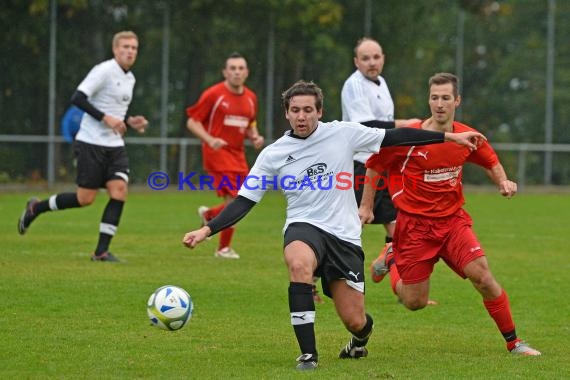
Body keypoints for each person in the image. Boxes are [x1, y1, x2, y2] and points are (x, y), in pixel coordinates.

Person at [182, 80, 485, 370]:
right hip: (304, 227)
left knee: (356, 321)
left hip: (344, 236)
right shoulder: (273, 154)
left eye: (308, 110)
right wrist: (205, 231)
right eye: (296, 110)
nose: (302, 116)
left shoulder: (342, 134)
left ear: (319, 112)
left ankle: (359, 340)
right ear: (286, 112)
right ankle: (308, 355)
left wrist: (450, 137)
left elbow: (395, 137)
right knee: (299, 265)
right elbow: (243, 201)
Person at [361, 73, 541, 356]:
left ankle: (514, 343)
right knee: (414, 302)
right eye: (435, 98)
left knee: (483, 277)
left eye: (446, 98)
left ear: (456, 101)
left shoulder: (465, 135)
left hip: (453, 222)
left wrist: (503, 182)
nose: (440, 104)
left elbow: (490, 160)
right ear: (428, 100)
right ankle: (391, 258)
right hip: (415, 227)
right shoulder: (411, 137)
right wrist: (366, 206)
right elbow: (374, 165)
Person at [18, 31, 148, 262]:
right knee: (84, 199)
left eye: (134, 48)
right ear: (115, 49)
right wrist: (106, 118)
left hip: (115, 145)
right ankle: (35, 208)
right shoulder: (104, 70)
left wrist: (129, 121)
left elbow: (115, 112)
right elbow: (77, 98)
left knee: (119, 191)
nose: (130, 51)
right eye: (126, 47)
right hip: (90, 143)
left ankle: (101, 252)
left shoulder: (130, 78)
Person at [185, 52, 264, 259]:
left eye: (240, 68)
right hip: (217, 153)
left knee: (244, 198)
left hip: (237, 154)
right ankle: (223, 248)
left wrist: (254, 136)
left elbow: (250, 123)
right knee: (236, 199)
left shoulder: (251, 98)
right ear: (225, 72)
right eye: (232, 68)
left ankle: (209, 215)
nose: (237, 72)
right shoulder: (214, 94)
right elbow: (192, 122)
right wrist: (210, 140)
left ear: (246, 72)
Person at [341, 37, 419, 244]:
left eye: (376, 57)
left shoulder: (381, 83)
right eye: (365, 58)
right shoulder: (354, 85)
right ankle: (316, 271)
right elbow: (366, 125)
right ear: (356, 62)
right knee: (353, 224)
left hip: (383, 162)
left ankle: (389, 266)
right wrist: (405, 125)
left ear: (383, 59)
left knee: (395, 225)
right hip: (360, 164)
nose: (372, 62)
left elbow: (383, 124)